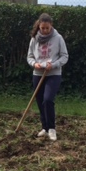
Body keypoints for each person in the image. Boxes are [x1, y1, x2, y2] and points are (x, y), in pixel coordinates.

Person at [26, 13, 69, 141]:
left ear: (51, 26)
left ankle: (52, 129)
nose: (44, 31)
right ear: (39, 26)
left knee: (48, 100)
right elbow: (30, 56)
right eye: (42, 28)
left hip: (53, 74)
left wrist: (54, 64)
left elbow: (64, 56)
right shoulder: (34, 39)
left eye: (47, 28)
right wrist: (35, 64)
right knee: (40, 101)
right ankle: (44, 128)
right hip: (38, 74)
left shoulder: (58, 38)